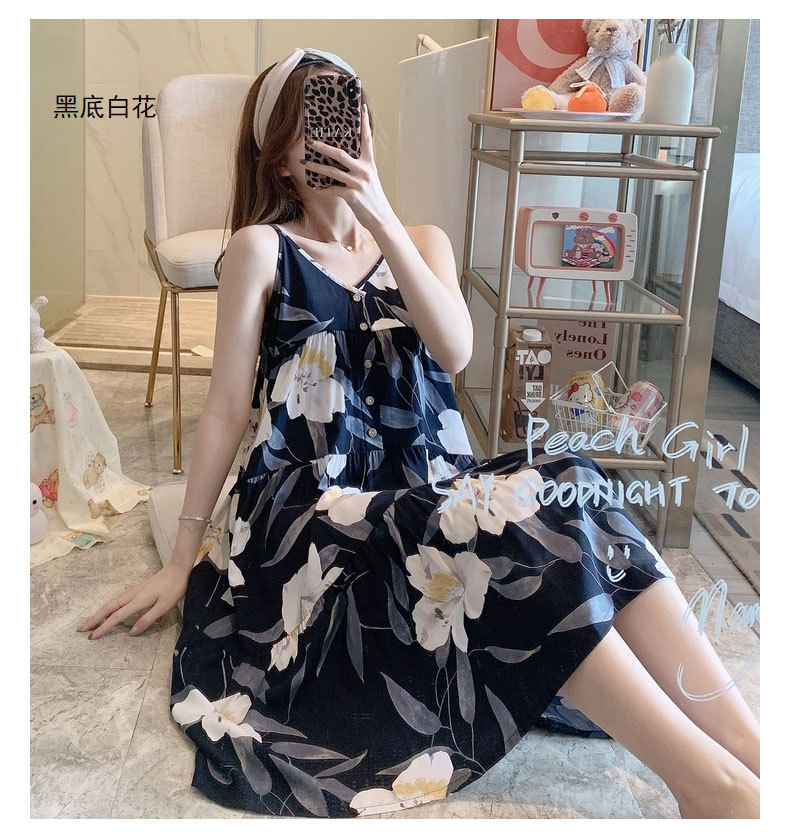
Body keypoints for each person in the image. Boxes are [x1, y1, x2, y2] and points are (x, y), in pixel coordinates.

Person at [78, 48, 759, 819]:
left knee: (575, 481)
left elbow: (456, 351)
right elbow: (227, 409)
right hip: (315, 506)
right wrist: (183, 557)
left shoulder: (421, 240)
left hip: (427, 486)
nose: (331, 140)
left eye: (345, 115)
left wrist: (379, 218)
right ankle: (711, 789)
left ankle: (749, 750)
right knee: (503, 528)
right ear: (277, 155)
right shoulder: (262, 249)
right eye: (309, 126)